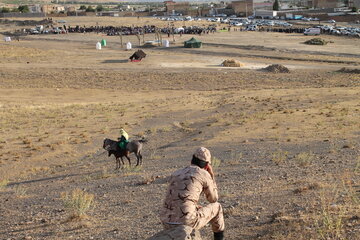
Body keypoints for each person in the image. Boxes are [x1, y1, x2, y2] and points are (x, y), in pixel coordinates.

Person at [160, 147, 225, 240]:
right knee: (217, 207)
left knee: (195, 207)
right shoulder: (203, 173)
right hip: (187, 221)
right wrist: (211, 176)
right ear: (207, 166)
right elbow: (213, 199)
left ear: (192, 160)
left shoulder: (176, 173)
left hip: (166, 221)